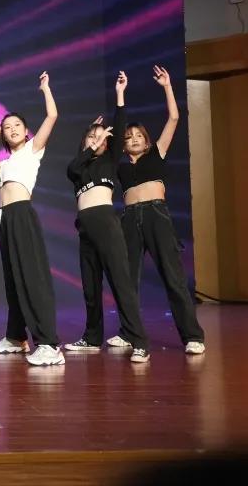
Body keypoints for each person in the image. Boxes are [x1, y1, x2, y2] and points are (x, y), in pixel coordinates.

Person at [114, 65, 206, 355]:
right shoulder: (120, 165)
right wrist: (120, 94)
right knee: (127, 279)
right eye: (129, 137)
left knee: (173, 277)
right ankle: (128, 333)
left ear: (147, 140)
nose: (134, 139)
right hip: (130, 219)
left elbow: (174, 118)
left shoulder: (156, 153)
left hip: (156, 215)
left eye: (138, 135)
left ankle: (193, 336)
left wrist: (167, 86)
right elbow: (113, 135)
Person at [0, 72, 63, 367]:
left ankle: (49, 344)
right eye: (6, 127)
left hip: (22, 214)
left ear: (26, 132)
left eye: (16, 125)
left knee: (31, 278)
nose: (11, 129)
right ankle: (16, 337)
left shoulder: (32, 150)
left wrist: (46, 88)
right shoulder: (4, 163)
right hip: (5, 219)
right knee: (13, 280)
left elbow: (52, 116)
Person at [64, 71, 150, 364]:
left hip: (105, 221)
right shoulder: (79, 167)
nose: (97, 139)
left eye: (101, 137)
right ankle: (92, 338)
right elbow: (73, 168)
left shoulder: (110, 161)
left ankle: (139, 341)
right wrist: (92, 142)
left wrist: (120, 95)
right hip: (85, 227)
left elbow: (121, 124)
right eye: (92, 136)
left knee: (120, 283)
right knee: (90, 286)